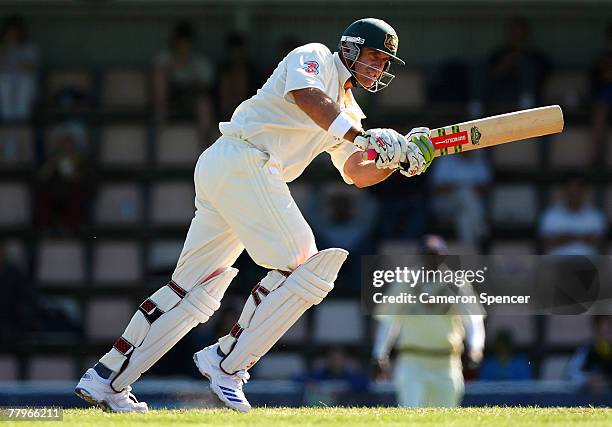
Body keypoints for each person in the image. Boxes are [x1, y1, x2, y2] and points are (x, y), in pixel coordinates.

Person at [75, 18, 435, 413]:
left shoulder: (348, 112)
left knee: (193, 291)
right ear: (350, 48)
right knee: (305, 265)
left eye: (385, 64)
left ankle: (107, 379)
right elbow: (307, 96)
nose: (379, 69)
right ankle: (226, 364)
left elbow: (356, 172)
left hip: (230, 170)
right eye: (374, 57)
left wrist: (397, 160)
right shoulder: (314, 57)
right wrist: (365, 138)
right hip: (243, 160)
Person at [372, 235, 485, 407]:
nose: (432, 260)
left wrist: (475, 348)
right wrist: (380, 353)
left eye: (436, 255)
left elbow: (473, 320)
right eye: (427, 255)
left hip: (447, 362)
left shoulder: (456, 282)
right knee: (411, 417)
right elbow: (390, 320)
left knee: (447, 418)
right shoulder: (405, 281)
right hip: (412, 361)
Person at [153, 21, 215, 139]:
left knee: (204, 103)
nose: (183, 47)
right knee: (160, 77)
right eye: (180, 44)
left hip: (191, 99)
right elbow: (158, 78)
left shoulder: (199, 62)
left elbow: (206, 86)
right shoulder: (164, 58)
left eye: (186, 44)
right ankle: (160, 117)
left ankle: (205, 142)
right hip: (169, 98)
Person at [539, 174, 606, 256]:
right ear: (563, 190)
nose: (574, 193)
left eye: (578, 189)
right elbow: (546, 243)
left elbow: (598, 242)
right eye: (570, 189)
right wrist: (582, 237)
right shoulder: (550, 215)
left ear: (585, 191)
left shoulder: (595, 215)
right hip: (558, 265)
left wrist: (566, 237)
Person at [0, 15, 39, 121]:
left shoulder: (29, 48)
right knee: (4, 81)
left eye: (15, 32)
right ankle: (6, 120)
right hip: (5, 85)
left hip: (24, 85)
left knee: (25, 82)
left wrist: (15, 60)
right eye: (9, 32)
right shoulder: (2, 47)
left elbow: (30, 67)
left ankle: (22, 120)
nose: (12, 35)